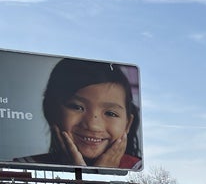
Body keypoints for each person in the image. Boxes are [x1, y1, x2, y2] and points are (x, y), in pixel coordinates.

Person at [14, 58, 142, 170]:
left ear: (127, 124)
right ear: (49, 110)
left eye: (110, 113)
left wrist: (102, 173)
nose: (93, 125)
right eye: (77, 107)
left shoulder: (138, 170)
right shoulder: (22, 168)